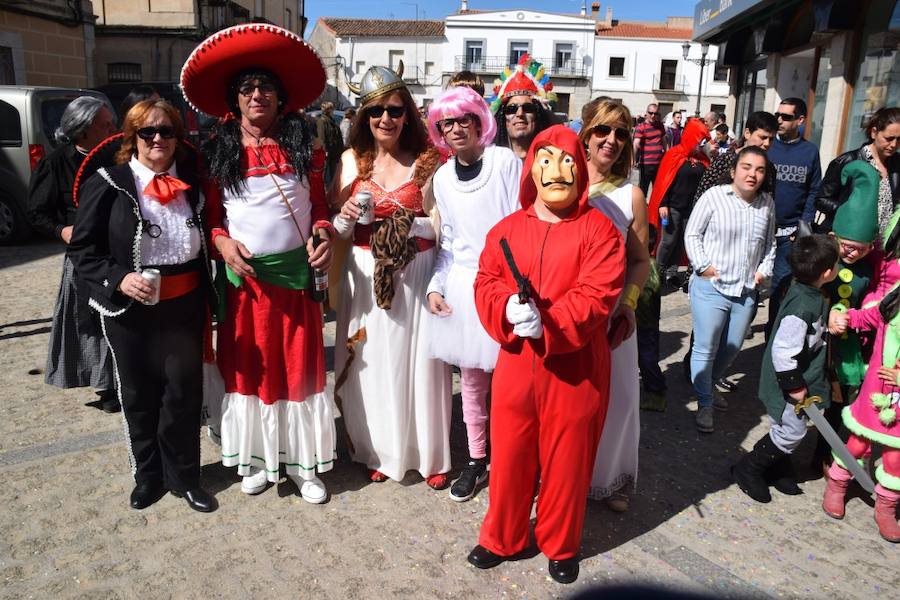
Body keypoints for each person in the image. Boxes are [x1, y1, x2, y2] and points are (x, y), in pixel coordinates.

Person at [181, 23, 335, 503]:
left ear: (280, 96)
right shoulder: (218, 152)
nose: (257, 95)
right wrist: (223, 246)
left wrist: (324, 234)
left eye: (265, 87)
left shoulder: (305, 146)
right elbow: (213, 218)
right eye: (247, 88)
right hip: (244, 284)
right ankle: (256, 461)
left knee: (300, 368)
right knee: (251, 368)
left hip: (294, 277)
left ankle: (303, 464)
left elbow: (320, 208)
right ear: (235, 99)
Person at [466, 125, 624, 584]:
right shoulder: (506, 230)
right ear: (532, 168)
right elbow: (486, 281)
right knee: (511, 454)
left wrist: (551, 322)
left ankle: (560, 541)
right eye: (548, 159)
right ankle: (504, 536)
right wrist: (505, 308)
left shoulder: (600, 231)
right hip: (517, 364)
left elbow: (598, 294)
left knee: (568, 459)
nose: (559, 170)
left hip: (576, 367)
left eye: (570, 159)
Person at [67, 99, 216, 512]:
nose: (157, 139)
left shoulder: (193, 180)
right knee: (138, 394)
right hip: (130, 311)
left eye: (165, 131)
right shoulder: (110, 181)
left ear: (176, 138)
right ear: (132, 138)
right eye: (147, 132)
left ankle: (185, 478)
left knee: (182, 395)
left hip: (184, 307)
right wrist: (119, 278)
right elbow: (82, 250)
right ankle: (148, 477)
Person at [332, 64, 452, 489]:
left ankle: (428, 454)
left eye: (396, 110)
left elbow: (442, 226)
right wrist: (345, 217)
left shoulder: (428, 162)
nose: (386, 119)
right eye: (377, 111)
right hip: (364, 274)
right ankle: (379, 450)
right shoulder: (350, 162)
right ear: (363, 116)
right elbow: (335, 230)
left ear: (408, 114)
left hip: (415, 273)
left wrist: (407, 225)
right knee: (374, 363)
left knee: (421, 363)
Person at [424, 86, 521, 502]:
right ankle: (478, 459)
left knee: (514, 386)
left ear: (480, 122)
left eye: (465, 119)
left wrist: (521, 286)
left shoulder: (504, 162)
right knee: (474, 386)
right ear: (439, 131)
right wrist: (434, 286)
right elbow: (448, 243)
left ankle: (514, 461)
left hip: (509, 287)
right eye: (447, 123)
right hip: (465, 289)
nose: (456, 128)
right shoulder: (443, 178)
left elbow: (524, 224)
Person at [579, 100, 650, 512]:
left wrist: (628, 302)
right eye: (603, 131)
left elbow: (641, 261)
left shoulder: (631, 195)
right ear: (586, 135)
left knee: (620, 397)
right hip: (566, 312)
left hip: (613, 314)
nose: (612, 140)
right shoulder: (558, 181)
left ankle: (611, 478)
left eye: (621, 134)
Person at [27, 96, 118, 412]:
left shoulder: (119, 156)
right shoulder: (55, 163)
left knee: (119, 317)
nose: (113, 129)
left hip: (119, 251)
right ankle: (106, 387)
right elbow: (37, 213)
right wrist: (62, 231)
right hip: (83, 256)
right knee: (89, 321)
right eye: (105, 125)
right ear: (83, 130)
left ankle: (124, 381)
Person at [731, 234, 837, 502]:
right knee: (791, 430)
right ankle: (750, 468)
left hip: (804, 378)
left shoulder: (809, 293)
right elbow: (783, 352)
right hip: (790, 385)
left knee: (789, 426)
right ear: (826, 272)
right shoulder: (802, 306)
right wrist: (796, 387)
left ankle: (778, 466)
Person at [685, 146, 776, 433]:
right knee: (706, 346)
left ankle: (710, 385)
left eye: (759, 169)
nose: (753, 174)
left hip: (746, 289)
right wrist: (702, 266)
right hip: (711, 286)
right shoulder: (715, 196)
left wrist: (764, 270)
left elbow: (770, 244)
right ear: (734, 170)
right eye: (747, 167)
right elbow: (692, 233)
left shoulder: (767, 204)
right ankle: (704, 402)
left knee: (733, 346)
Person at [827, 213, 900, 541]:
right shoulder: (896, 295)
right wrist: (844, 316)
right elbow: (872, 315)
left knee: (897, 455)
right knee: (859, 440)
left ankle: (885, 507)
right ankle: (837, 483)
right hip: (878, 386)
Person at [814, 162, 880, 471]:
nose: (851, 254)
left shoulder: (869, 271)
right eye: (846, 247)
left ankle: (823, 455)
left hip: (848, 346)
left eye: (859, 249)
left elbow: (872, 301)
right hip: (818, 342)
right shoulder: (822, 262)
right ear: (832, 237)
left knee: (839, 402)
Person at [766, 97, 822, 338]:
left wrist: (804, 224)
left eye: (786, 117)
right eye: (778, 115)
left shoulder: (810, 151)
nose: (779, 120)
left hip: (788, 234)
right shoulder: (768, 147)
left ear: (800, 120)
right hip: (761, 228)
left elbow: (814, 189)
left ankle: (772, 337)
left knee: (780, 287)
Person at [814, 106, 900, 236]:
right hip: (848, 243)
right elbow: (821, 199)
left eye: (899, 139)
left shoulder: (897, 164)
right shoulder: (848, 161)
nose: (894, 144)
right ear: (874, 132)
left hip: (881, 247)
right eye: (889, 138)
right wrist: (850, 211)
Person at [649, 118, 711, 289]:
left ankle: (672, 272)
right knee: (668, 240)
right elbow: (663, 182)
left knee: (683, 241)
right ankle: (658, 271)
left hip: (692, 209)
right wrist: (663, 203)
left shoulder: (703, 159)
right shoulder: (674, 155)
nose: (701, 144)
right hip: (673, 206)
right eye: (700, 140)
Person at [487, 54, 555, 160]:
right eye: (511, 109)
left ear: (537, 115)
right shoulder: (490, 159)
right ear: (503, 117)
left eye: (528, 108)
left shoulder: (552, 159)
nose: (520, 114)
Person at [633, 103, 666, 196]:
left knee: (658, 189)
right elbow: (636, 144)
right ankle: (641, 208)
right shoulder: (641, 127)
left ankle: (654, 208)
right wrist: (633, 159)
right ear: (646, 113)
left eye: (655, 113)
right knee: (643, 189)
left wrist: (668, 155)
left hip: (659, 163)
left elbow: (664, 141)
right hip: (646, 164)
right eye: (650, 113)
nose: (653, 115)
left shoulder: (660, 125)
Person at [317, 101, 344, 187]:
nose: (333, 111)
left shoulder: (331, 121)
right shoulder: (322, 121)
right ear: (328, 110)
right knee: (325, 174)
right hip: (328, 152)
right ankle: (325, 189)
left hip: (334, 151)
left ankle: (332, 188)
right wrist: (325, 151)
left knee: (334, 173)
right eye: (332, 109)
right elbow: (322, 137)